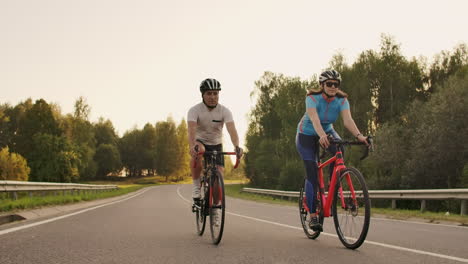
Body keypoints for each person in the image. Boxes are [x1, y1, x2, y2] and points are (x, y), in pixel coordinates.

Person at [295, 70, 368, 231]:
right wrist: (321, 135)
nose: (333, 87)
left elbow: (348, 120)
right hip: (306, 134)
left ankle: (331, 184)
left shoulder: (342, 100)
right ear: (322, 85)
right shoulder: (312, 98)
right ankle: (313, 215)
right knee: (312, 173)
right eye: (329, 84)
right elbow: (314, 119)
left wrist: (360, 136)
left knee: (340, 150)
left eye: (336, 84)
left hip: (327, 130)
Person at [187, 78, 243, 225]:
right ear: (203, 95)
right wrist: (193, 146)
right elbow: (191, 130)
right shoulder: (194, 110)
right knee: (199, 151)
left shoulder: (225, 111)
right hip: (200, 142)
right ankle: (196, 187)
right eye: (209, 94)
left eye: (215, 94)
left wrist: (237, 146)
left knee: (218, 181)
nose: (212, 97)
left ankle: (215, 210)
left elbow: (232, 131)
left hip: (217, 145)